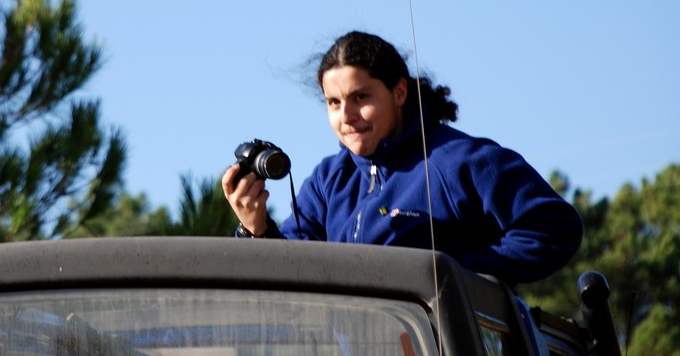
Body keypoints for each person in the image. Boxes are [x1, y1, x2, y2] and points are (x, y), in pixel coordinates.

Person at [221, 31, 583, 285]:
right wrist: (256, 230)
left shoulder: (461, 161)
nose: (346, 116)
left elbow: (555, 228)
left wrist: (454, 276)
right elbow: (293, 274)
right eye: (333, 102)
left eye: (360, 97)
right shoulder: (328, 180)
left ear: (399, 93)